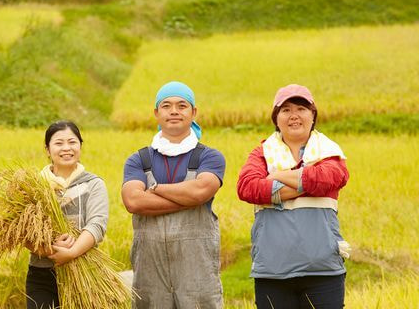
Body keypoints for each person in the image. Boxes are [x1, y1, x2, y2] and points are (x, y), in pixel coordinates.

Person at [237, 84, 350, 309]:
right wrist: (306, 183)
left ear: (313, 115)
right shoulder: (261, 153)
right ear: (276, 118)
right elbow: (247, 187)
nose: (294, 115)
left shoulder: (329, 151)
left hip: (323, 270)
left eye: (301, 108)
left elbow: (330, 178)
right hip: (273, 270)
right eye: (286, 110)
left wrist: (277, 176)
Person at [121, 81, 226, 308]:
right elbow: (133, 200)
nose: (174, 111)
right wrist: (188, 198)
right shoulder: (139, 159)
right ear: (156, 113)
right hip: (150, 270)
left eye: (182, 105)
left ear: (193, 112)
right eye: (166, 106)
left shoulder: (209, 157)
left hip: (196, 272)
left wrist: (157, 189)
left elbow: (200, 190)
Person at [26, 120, 110, 309]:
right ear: (47, 149)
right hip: (41, 275)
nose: (66, 148)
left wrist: (71, 252)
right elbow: (23, 232)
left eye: (72, 142)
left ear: (80, 146)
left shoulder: (94, 184)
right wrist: (48, 250)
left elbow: (97, 225)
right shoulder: (33, 187)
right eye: (58, 143)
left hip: (86, 271)